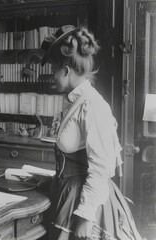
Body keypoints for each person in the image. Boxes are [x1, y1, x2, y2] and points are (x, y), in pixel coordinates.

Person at [41, 25, 142, 240]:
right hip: (67, 195)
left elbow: (100, 167)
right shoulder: (73, 101)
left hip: (86, 202)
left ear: (66, 71)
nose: (52, 77)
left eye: (53, 70)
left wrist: (86, 217)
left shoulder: (93, 105)